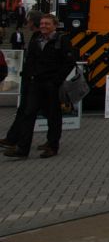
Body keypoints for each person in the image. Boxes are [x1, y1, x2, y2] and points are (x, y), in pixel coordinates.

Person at [3, 13, 76, 159]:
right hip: (35, 83)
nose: (43, 26)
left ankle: (52, 146)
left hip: (51, 85)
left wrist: (56, 81)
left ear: (55, 25)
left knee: (53, 116)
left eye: (47, 24)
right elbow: (31, 60)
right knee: (28, 114)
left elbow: (69, 62)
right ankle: (22, 149)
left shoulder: (61, 40)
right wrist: (29, 76)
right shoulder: (36, 39)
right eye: (42, 23)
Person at [0, 11, 42, 149]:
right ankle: (12, 139)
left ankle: (21, 144)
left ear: (33, 22)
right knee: (23, 111)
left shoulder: (39, 38)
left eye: (28, 21)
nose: (27, 23)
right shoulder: (35, 37)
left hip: (34, 80)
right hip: (29, 79)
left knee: (29, 113)